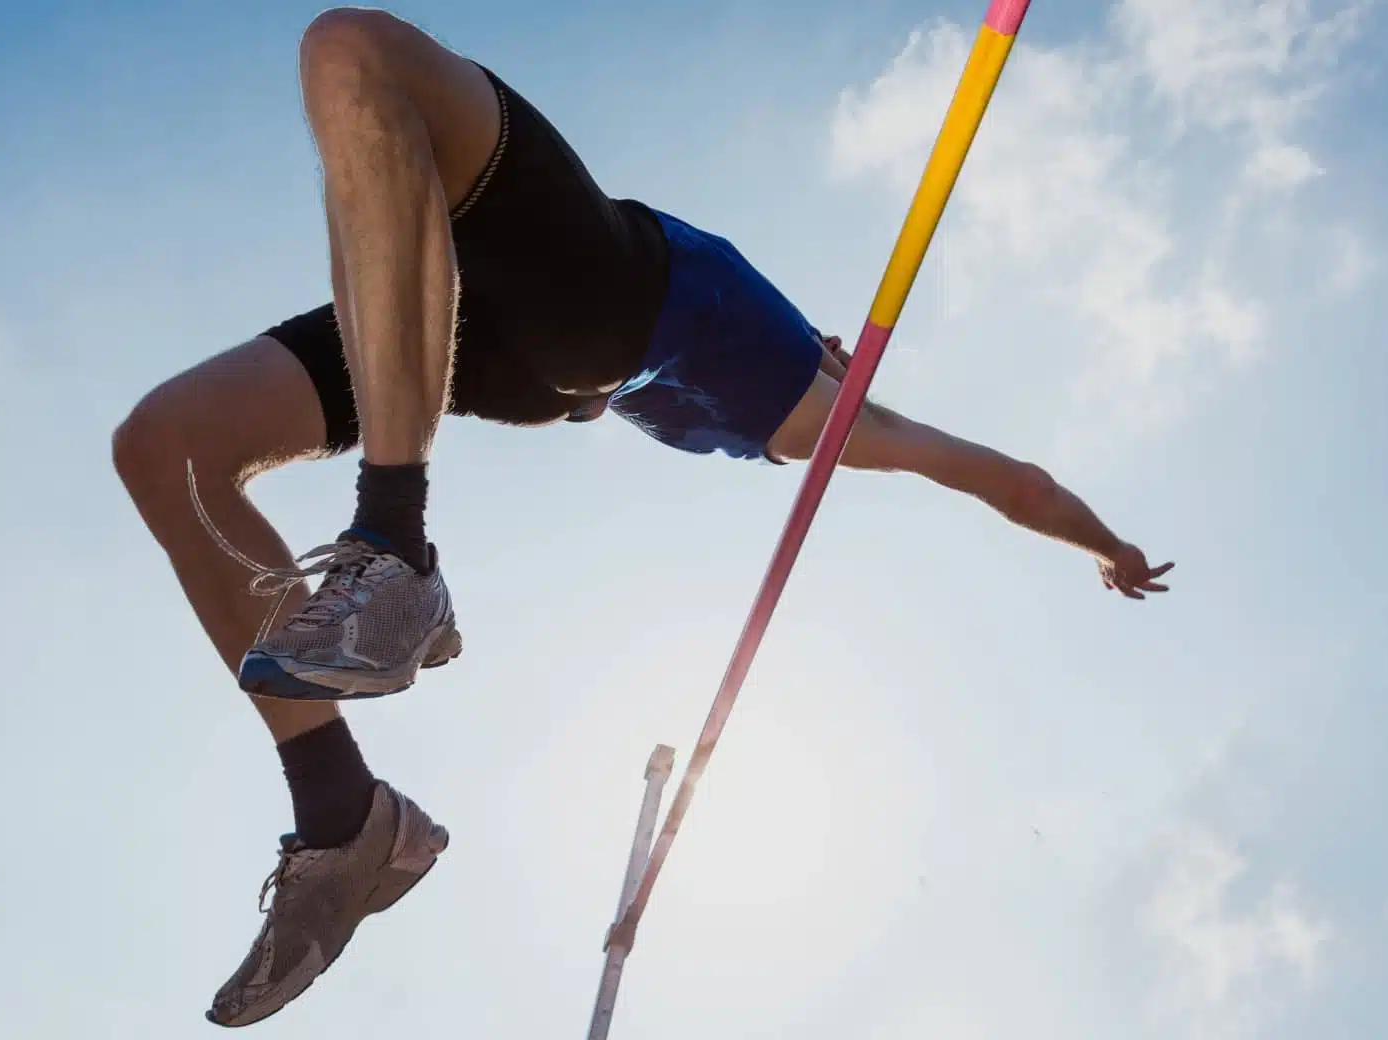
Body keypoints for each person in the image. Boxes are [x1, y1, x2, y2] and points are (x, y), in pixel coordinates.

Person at [112, 7, 1174, 1027]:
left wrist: (1107, 546)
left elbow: (1003, 477)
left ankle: (395, 541)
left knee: (354, 50)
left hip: (600, 301)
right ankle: (340, 809)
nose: (837, 345)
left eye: (841, 354)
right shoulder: (769, 392)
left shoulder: (821, 412)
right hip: (485, 326)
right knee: (167, 447)